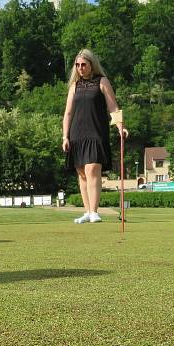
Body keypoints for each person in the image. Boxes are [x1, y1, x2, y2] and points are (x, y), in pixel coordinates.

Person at [62, 49, 126, 224]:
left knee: (92, 170)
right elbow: (68, 113)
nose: (80, 68)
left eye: (84, 64)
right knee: (82, 173)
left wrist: (121, 126)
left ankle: (95, 212)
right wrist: (65, 137)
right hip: (76, 134)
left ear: (91, 65)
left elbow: (113, 107)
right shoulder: (74, 86)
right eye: (78, 65)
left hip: (96, 131)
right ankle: (87, 211)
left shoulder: (102, 81)